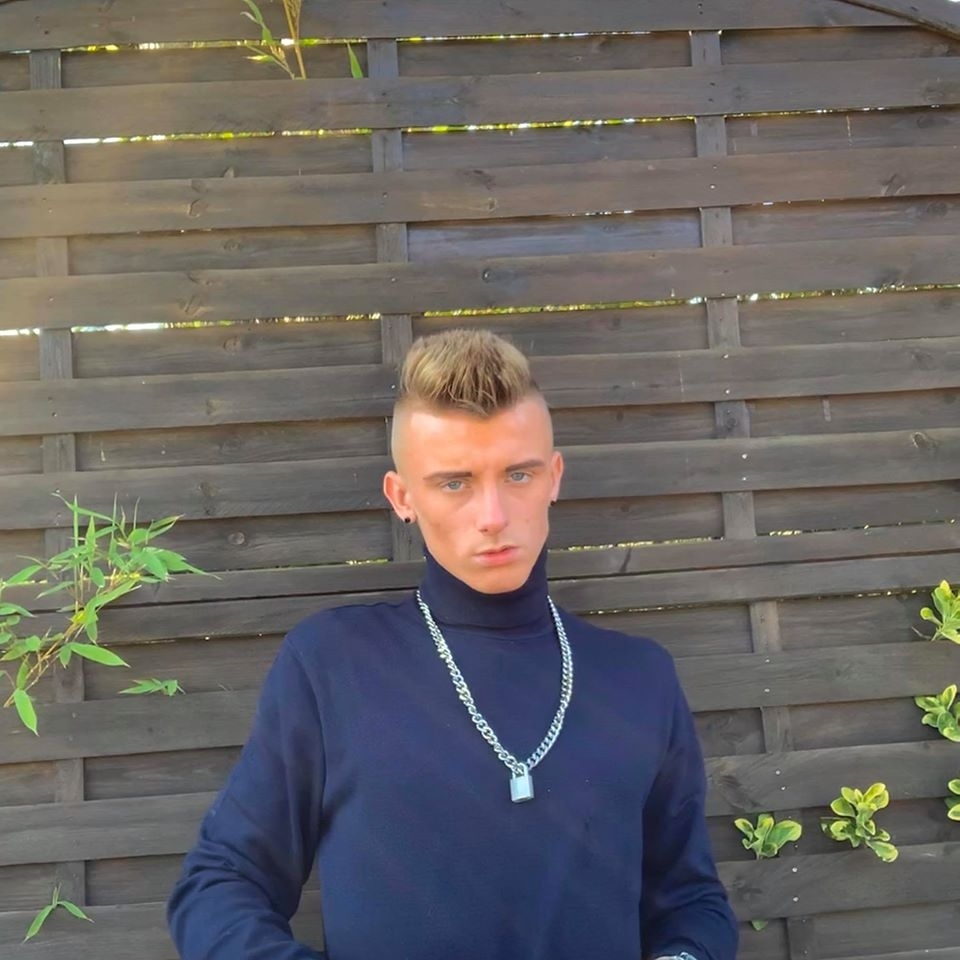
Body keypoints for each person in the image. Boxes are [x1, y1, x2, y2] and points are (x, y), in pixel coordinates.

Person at [167, 329, 738, 960]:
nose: (493, 515)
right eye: (454, 483)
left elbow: (690, 903)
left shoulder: (639, 678)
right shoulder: (331, 666)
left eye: (517, 474)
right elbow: (223, 883)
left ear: (553, 477)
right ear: (403, 497)